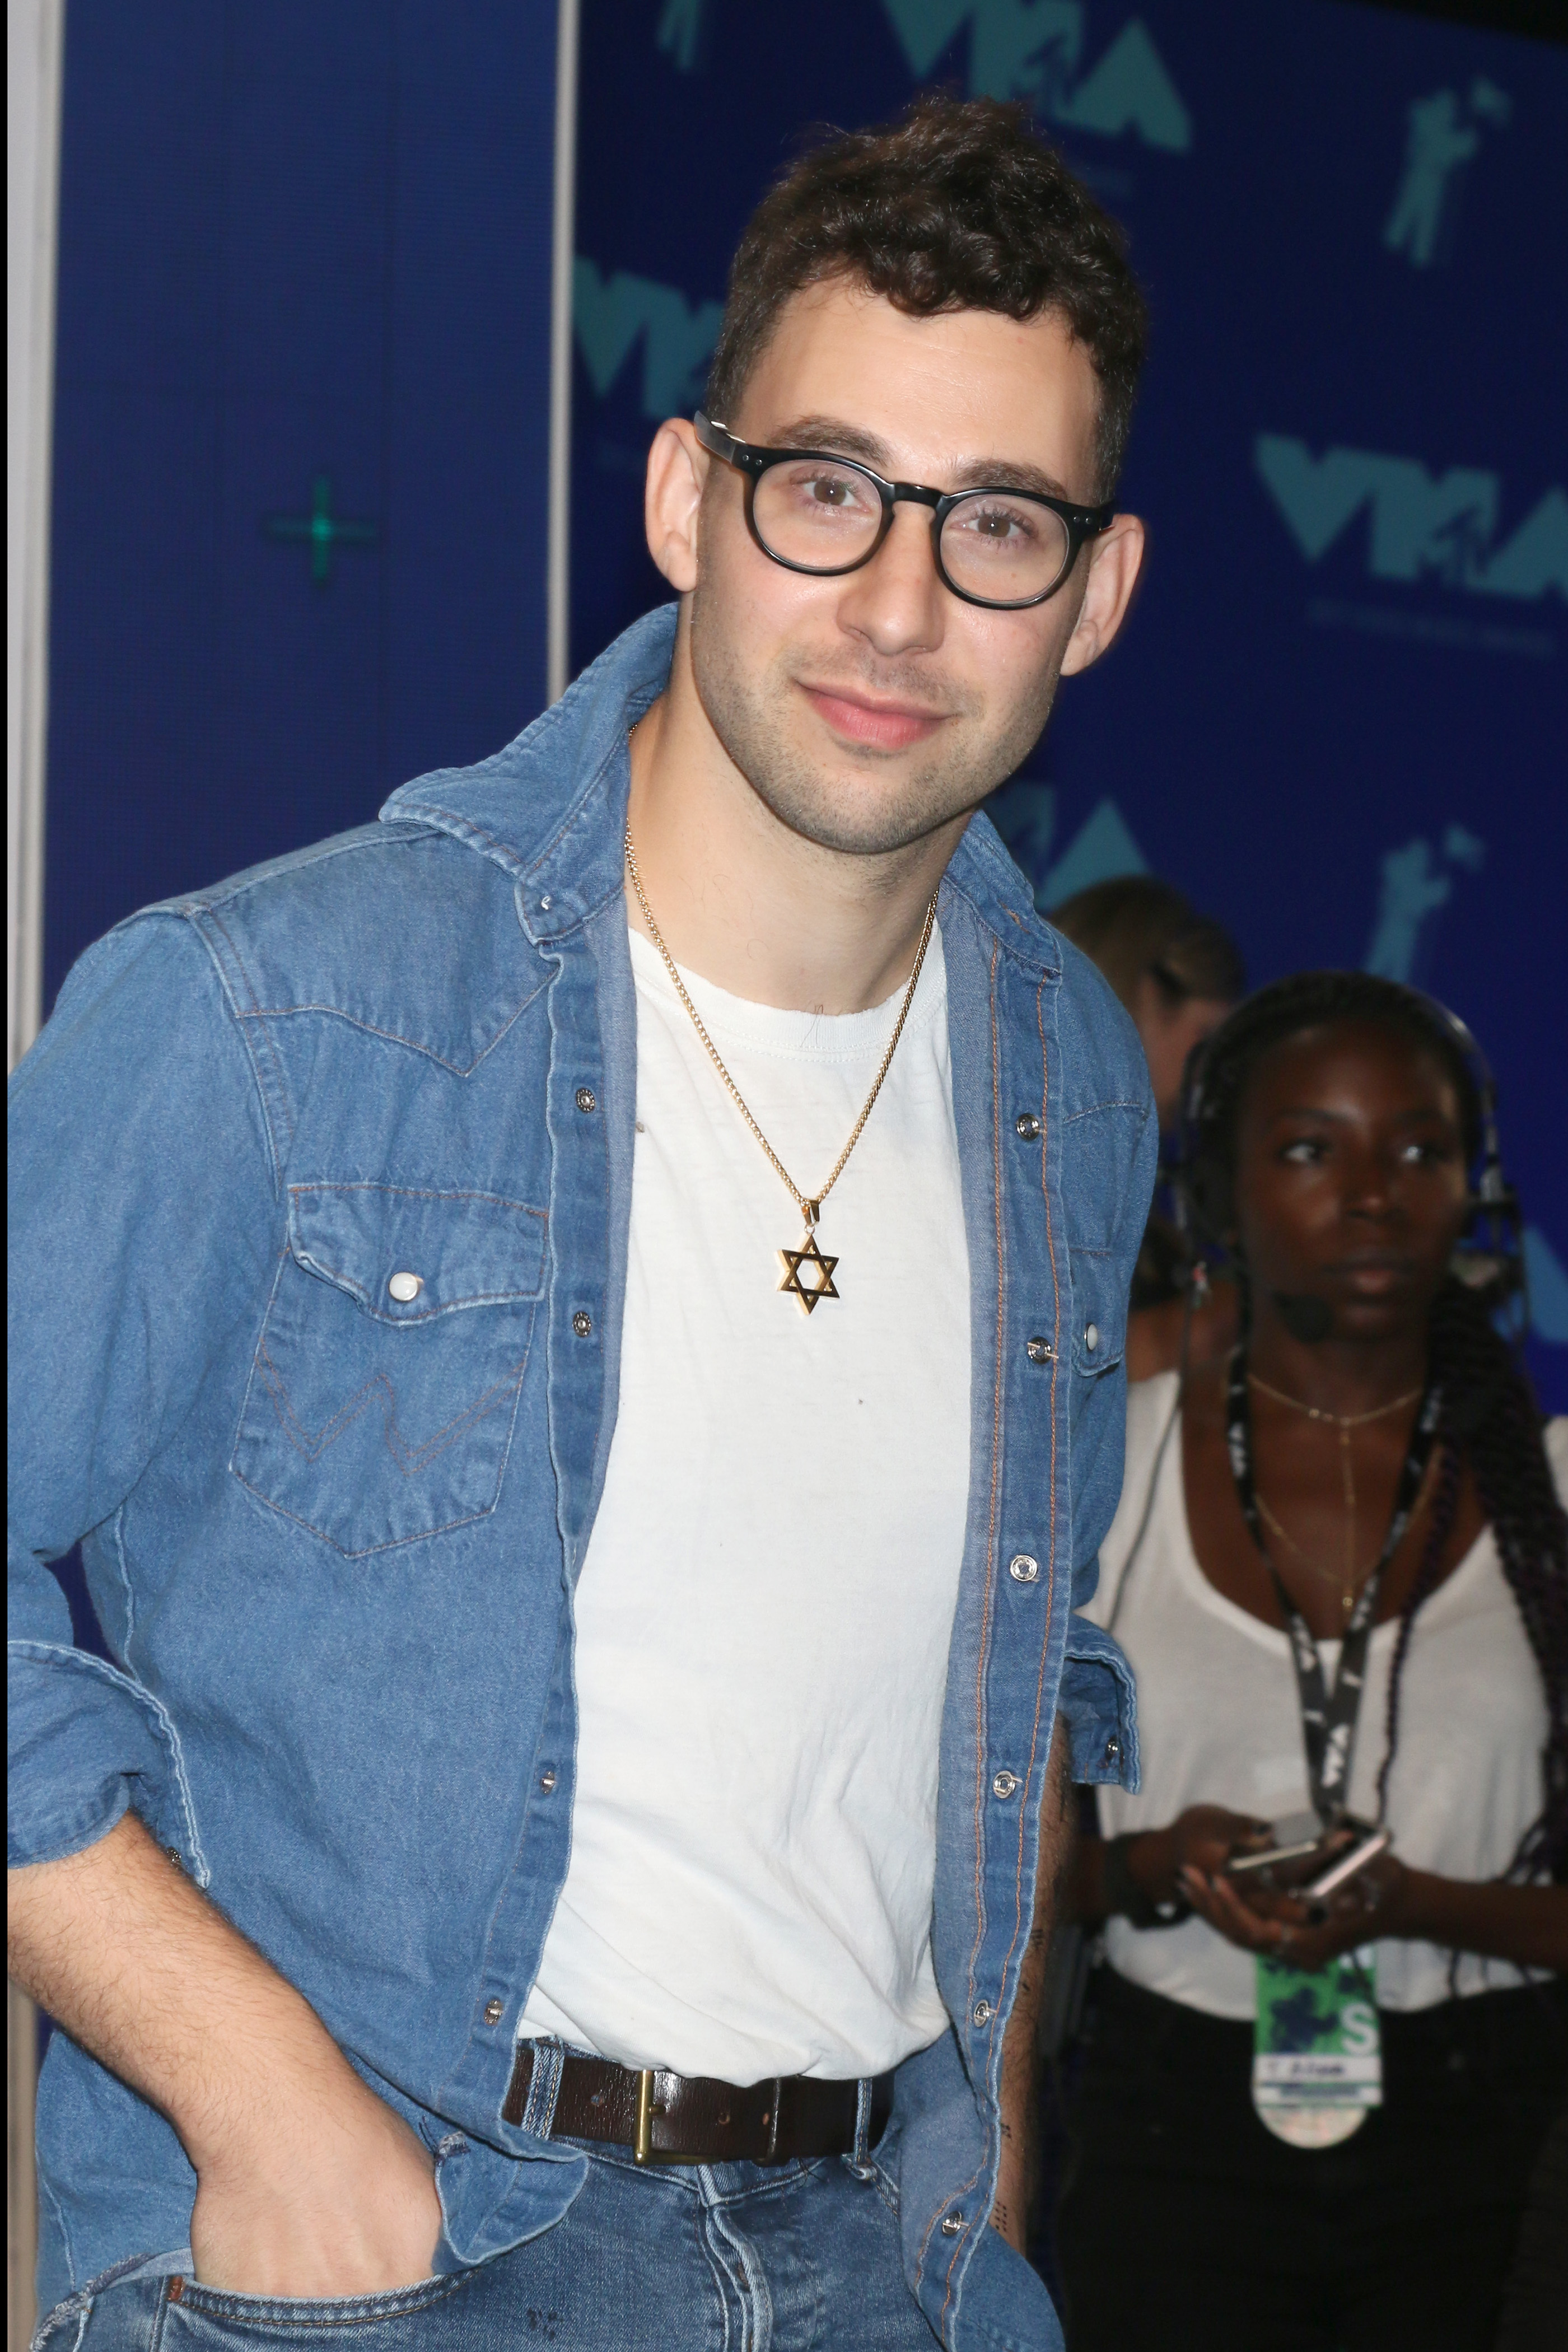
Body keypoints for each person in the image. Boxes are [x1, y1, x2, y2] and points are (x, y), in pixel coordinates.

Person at [7, 97, 1156, 2350]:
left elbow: (1007, 1700)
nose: (900, 606)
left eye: (996, 524)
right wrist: (255, 2097)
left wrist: (987, 2156)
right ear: (683, 501)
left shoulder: (1068, 1081)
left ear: (1094, 596)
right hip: (381, 2261)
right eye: (828, 490)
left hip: (879, 2274)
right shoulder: (273, 1005)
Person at [1052, 972, 1568, 2352]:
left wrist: (1422, 1905)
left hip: (1492, 2143)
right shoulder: (1113, 1467)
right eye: (1307, 1148)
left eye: (1419, 1149)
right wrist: (1153, 1872)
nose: (1372, 1191)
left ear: (1477, 1184)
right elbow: (1010, 1878)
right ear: (1217, 1190)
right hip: (1168, 2132)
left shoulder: (1553, 1497)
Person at [1050, 875, 1244, 1376]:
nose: (1208, 1077)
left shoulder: (1150, 1226)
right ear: (1136, 998)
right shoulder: (1014, 1177)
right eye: (1204, 1038)